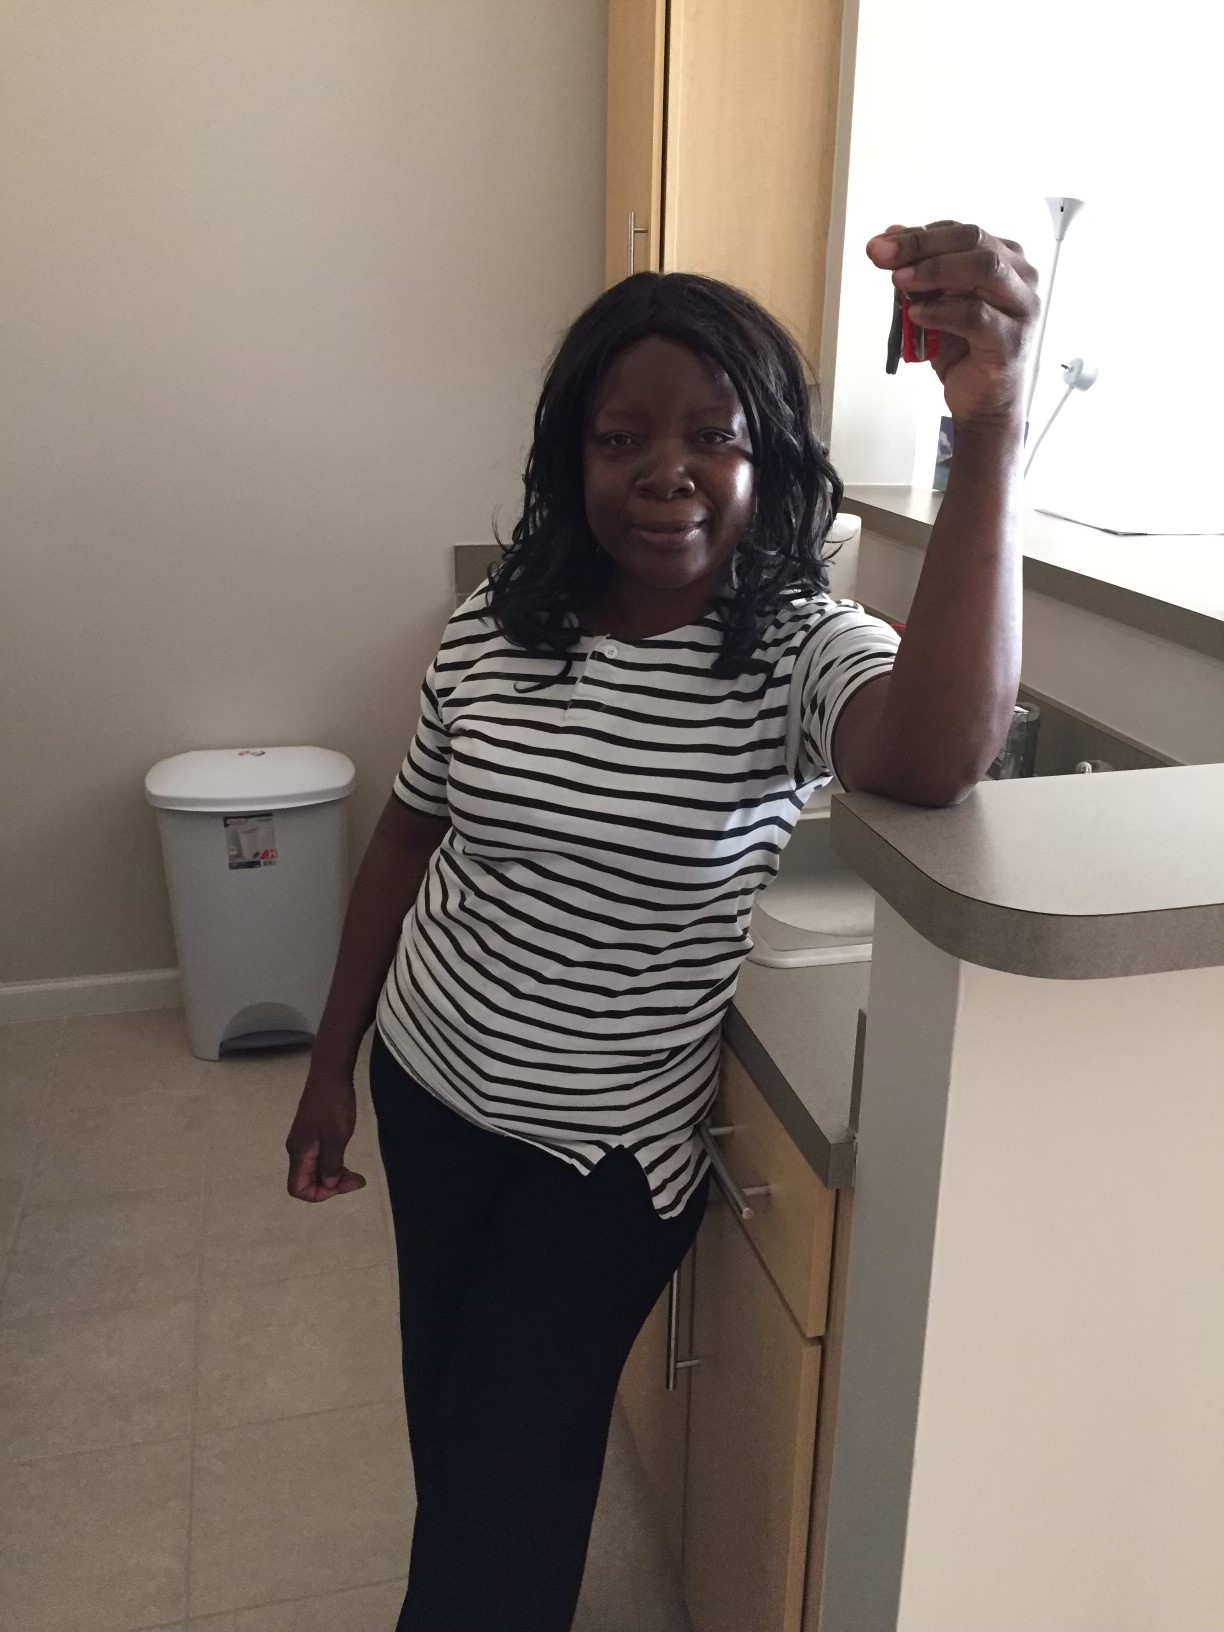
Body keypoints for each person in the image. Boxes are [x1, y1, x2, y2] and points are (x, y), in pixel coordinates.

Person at [286, 219, 1039, 1631]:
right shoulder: (496, 627)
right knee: (458, 1441)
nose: (666, 470)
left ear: (768, 462)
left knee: (504, 1504)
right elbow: (402, 838)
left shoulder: (793, 647)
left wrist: (990, 431)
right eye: (622, 438)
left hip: (600, 1159)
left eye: (712, 436)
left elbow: (937, 751)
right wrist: (332, 1064)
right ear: (572, 460)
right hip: (429, 1088)